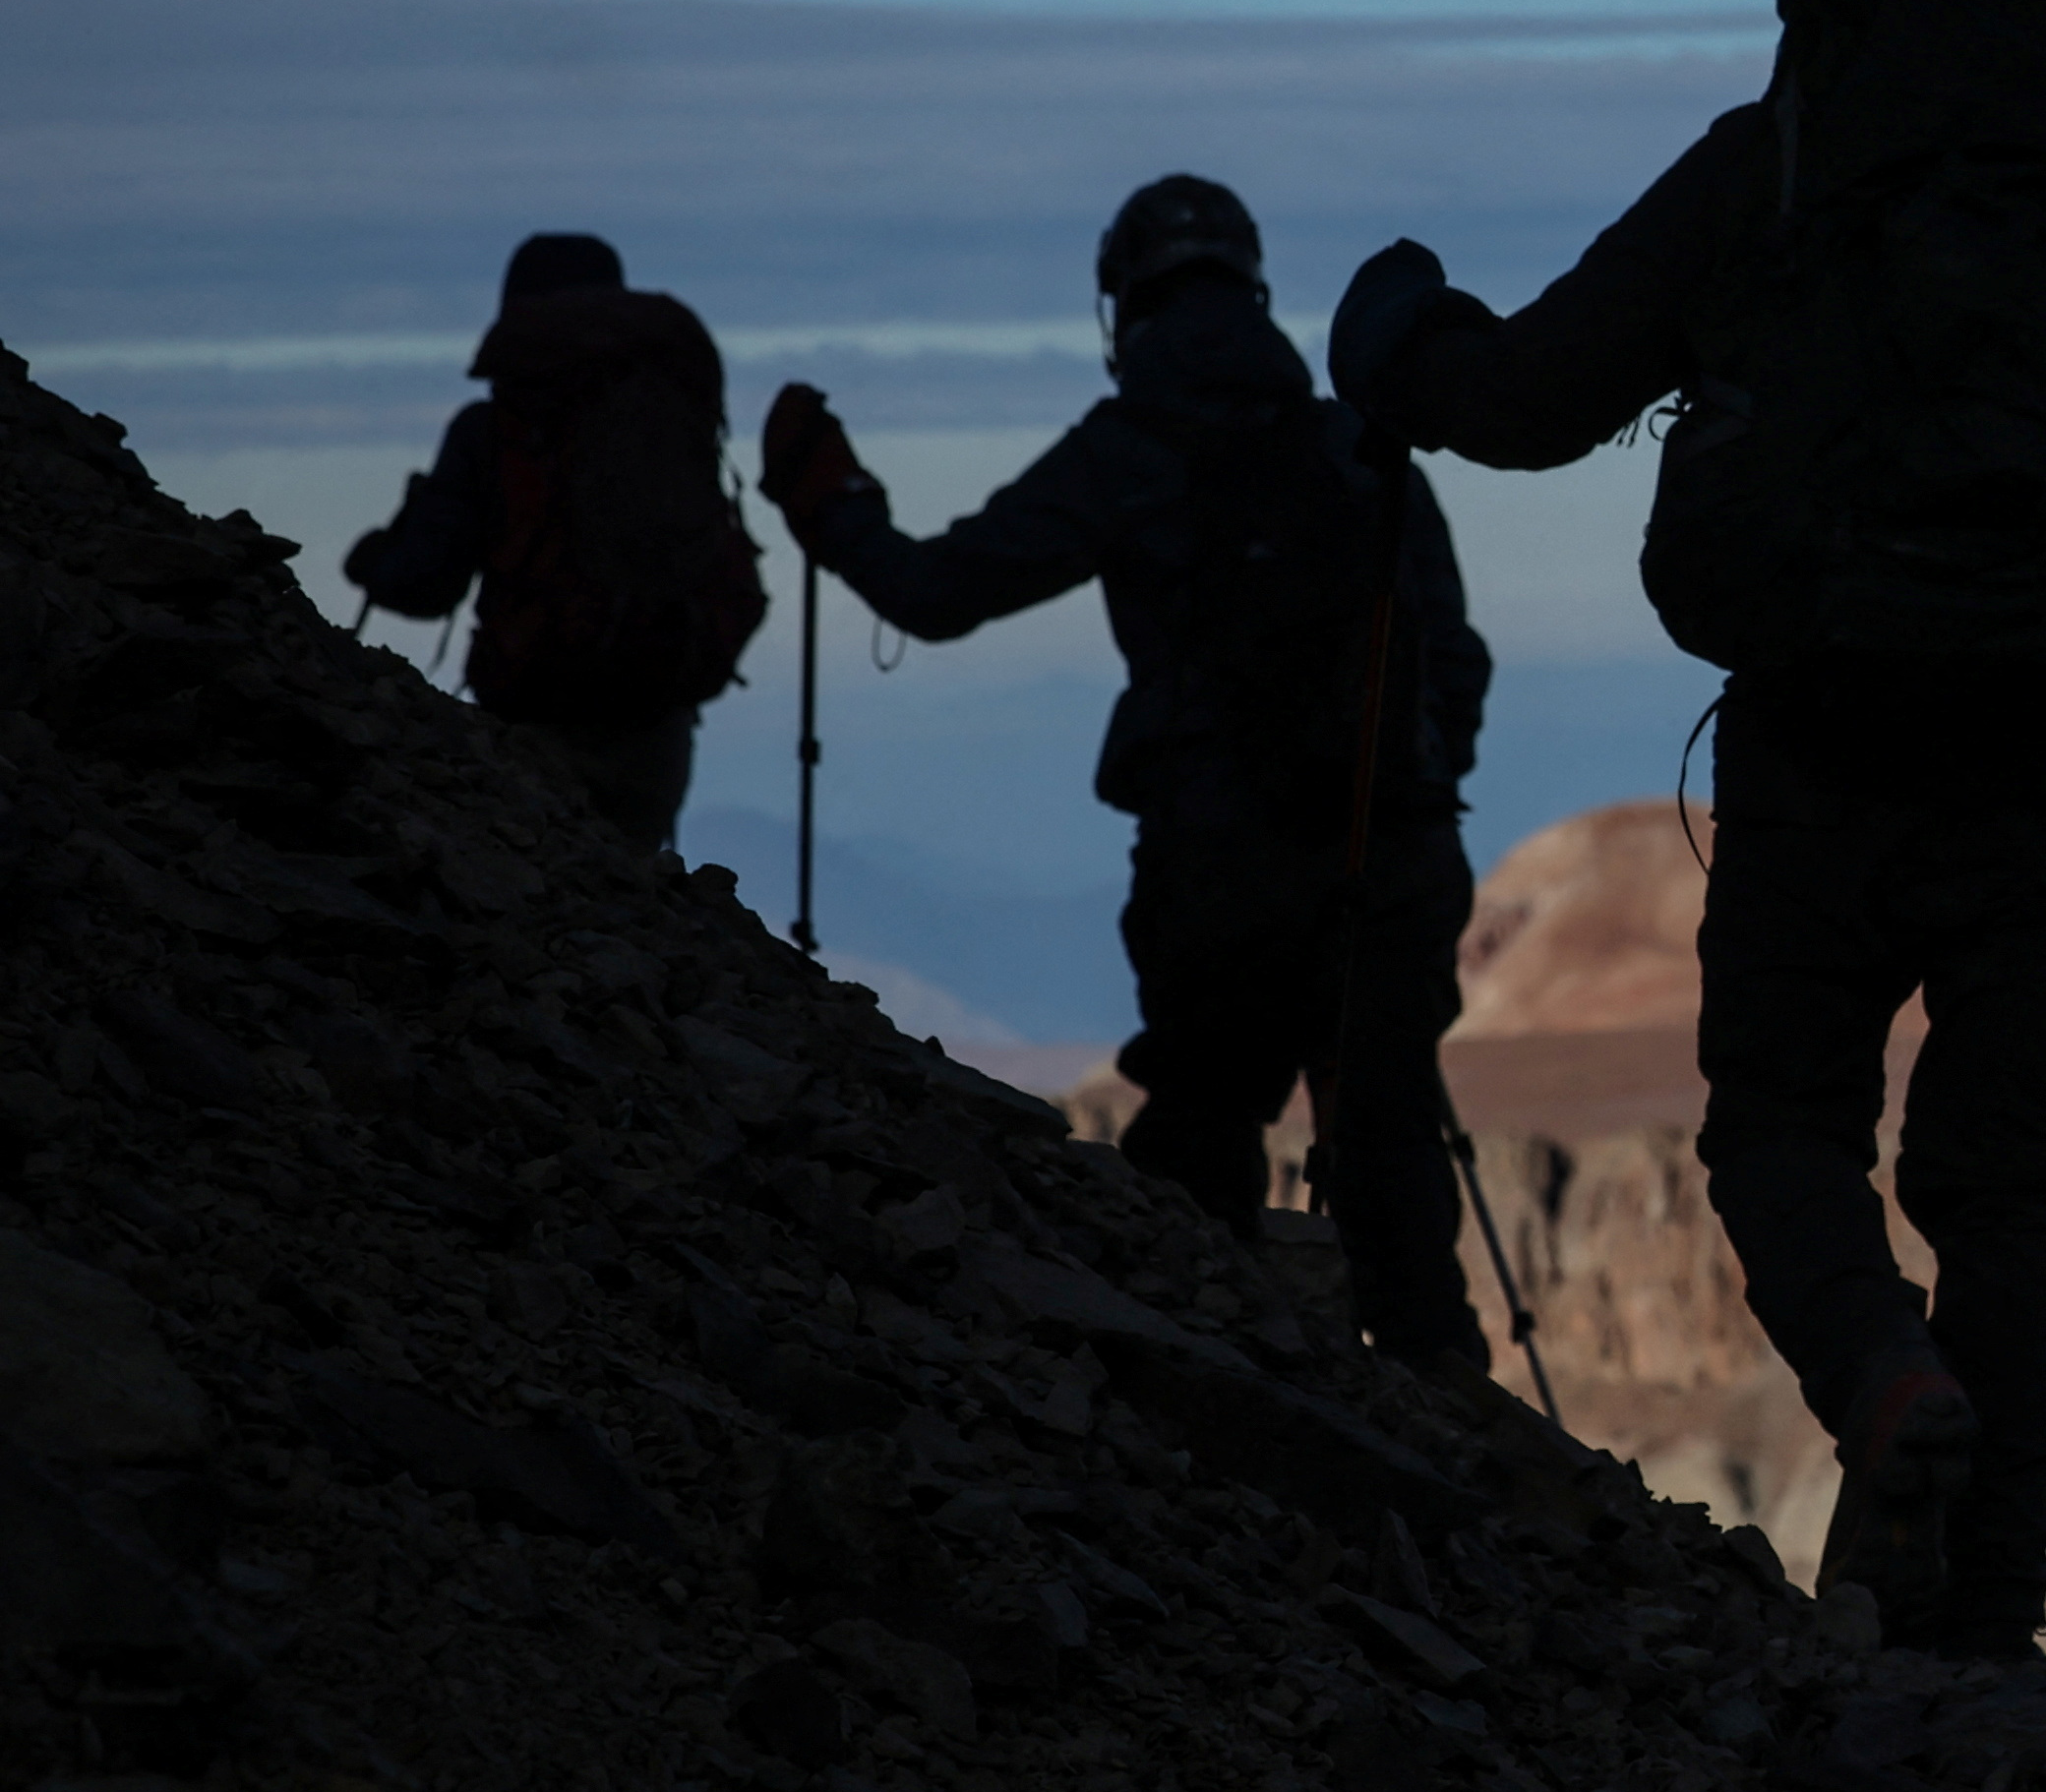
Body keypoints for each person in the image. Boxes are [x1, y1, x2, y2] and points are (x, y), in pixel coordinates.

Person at [1328, 0, 2046, 1656]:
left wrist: (1403, 348)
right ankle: (1991, 1607)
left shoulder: (1775, 165)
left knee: (1781, 1125)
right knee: (2014, 1165)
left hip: (1821, 730)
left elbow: (1537, 396)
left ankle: (1883, 1378)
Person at [753, 177, 1498, 1378]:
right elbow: (1450, 653)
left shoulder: (1129, 451)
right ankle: (1473, 1468)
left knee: (1200, 1146)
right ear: (1253, 291)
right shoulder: (1357, 446)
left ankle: (1205, 1430)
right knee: (1391, 1151)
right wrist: (1406, 796)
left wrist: (833, 507)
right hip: (1389, 859)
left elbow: (938, 594)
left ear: (1124, 307)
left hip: (1219, 869)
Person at [340, 231, 768, 848]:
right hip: (656, 727)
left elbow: (425, 583)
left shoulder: (492, 431)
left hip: (535, 717)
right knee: (635, 905)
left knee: (532, 900)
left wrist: (371, 560)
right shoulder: (667, 420)